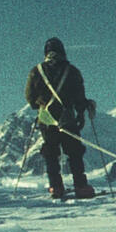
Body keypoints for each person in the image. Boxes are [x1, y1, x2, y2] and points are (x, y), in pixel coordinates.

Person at [24, 36, 98, 199]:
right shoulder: (72, 71)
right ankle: (81, 186)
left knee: (51, 152)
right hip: (67, 118)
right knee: (74, 152)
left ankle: (56, 187)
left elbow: (30, 96)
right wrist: (81, 111)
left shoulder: (36, 71)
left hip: (46, 118)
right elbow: (79, 96)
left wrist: (40, 104)